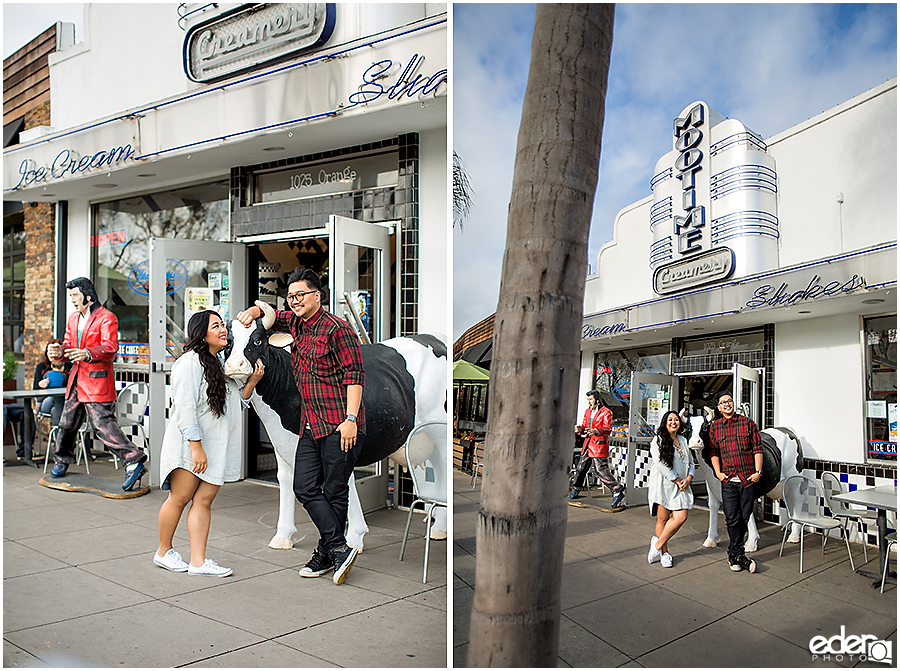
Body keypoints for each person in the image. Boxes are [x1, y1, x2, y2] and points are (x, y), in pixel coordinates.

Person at [236, 268, 365, 585]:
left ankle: (326, 552)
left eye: (300, 295)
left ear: (317, 296)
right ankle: (338, 546)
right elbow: (270, 313)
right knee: (304, 487)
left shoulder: (338, 329)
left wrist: (350, 420)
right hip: (310, 424)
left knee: (335, 492)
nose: (294, 301)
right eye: (291, 296)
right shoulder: (295, 322)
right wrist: (252, 311)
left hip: (338, 424)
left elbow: (355, 376)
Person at [155, 310, 264, 577]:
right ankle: (163, 551)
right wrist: (196, 447)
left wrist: (252, 382)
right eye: (215, 326)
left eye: (222, 325)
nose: (222, 330)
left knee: (204, 502)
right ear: (201, 333)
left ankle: (198, 561)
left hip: (214, 448)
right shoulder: (188, 364)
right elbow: (185, 409)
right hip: (191, 448)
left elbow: (234, 407)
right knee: (179, 499)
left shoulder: (219, 364)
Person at [47, 277, 148, 490]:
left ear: (88, 296)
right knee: (67, 423)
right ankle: (62, 459)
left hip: (96, 383)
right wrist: (59, 352)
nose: (73, 299)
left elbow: (110, 348)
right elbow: (68, 347)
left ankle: (133, 459)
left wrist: (87, 353)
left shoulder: (107, 318)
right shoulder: (73, 319)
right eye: (71, 295)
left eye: (75, 294)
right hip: (76, 380)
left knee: (102, 426)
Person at [707, 390, 763, 573]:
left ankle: (734, 554)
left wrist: (758, 472)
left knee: (744, 517)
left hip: (748, 479)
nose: (727, 404)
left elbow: (757, 448)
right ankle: (737, 554)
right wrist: (718, 472)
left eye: (729, 401)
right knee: (732, 518)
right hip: (729, 479)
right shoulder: (715, 427)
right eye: (723, 402)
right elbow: (713, 452)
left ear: (733, 403)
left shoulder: (748, 424)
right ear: (718, 407)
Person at [648, 410, 694, 568]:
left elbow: (692, 463)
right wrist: (676, 479)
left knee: (681, 517)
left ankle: (657, 544)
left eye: (676, 420)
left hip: (682, 486)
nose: (673, 422)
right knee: (663, 519)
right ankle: (665, 553)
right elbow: (660, 464)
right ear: (664, 422)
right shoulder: (658, 440)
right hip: (664, 485)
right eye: (670, 419)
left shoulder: (683, 440)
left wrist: (688, 478)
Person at [571, 390, 625, 508]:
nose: (589, 402)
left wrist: (597, 431)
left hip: (598, 445)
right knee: (581, 467)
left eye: (591, 399)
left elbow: (608, 428)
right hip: (588, 444)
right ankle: (575, 488)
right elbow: (585, 426)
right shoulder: (587, 412)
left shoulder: (606, 412)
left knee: (601, 470)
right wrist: (580, 429)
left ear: (597, 399)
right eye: (588, 400)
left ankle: (617, 489)